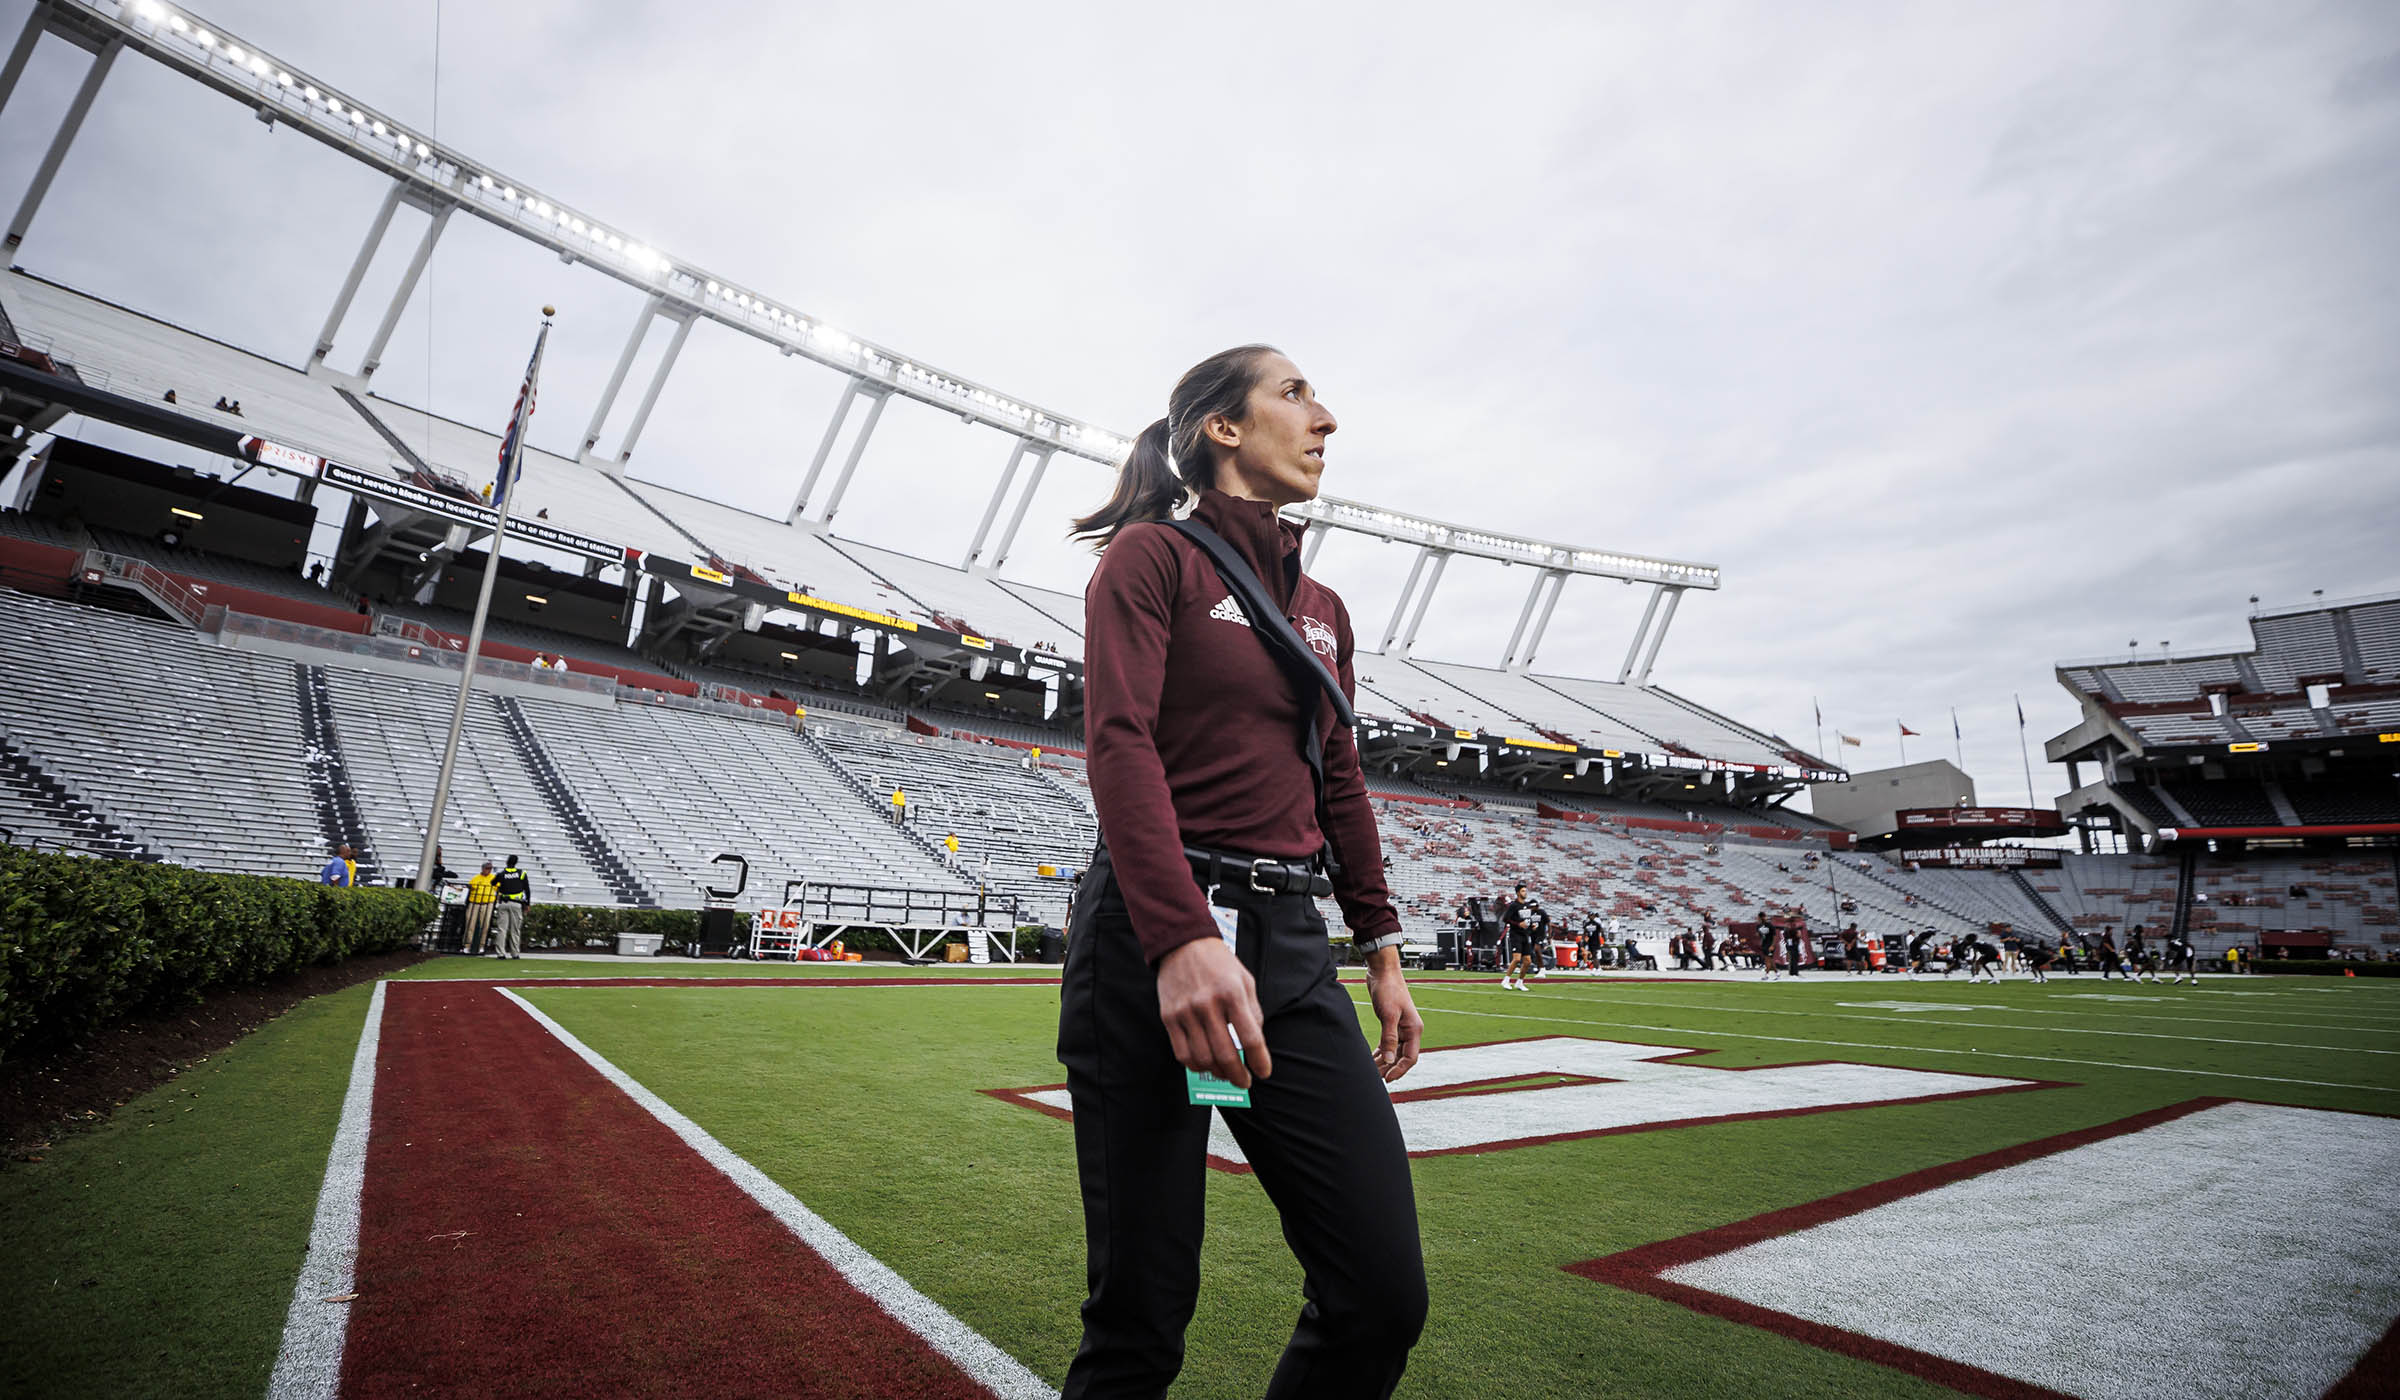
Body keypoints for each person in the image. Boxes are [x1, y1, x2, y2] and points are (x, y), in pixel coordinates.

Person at [1055, 345, 1427, 1398]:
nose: (1327, 418)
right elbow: (1117, 742)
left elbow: (1339, 778)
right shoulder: (1150, 558)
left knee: (1380, 1291)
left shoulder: (1327, 609)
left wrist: (1382, 946)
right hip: (1151, 942)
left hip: (1290, 954)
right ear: (1223, 427)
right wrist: (1180, 937)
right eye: (1296, 393)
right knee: (1141, 1318)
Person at [491, 853, 532, 959]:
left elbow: (493, 882)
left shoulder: (501, 874)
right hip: (516, 904)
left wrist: (501, 887)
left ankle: (500, 953)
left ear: (507, 862)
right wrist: (527, 904)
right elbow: (527, 890)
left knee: (502, 929)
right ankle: (515, 953)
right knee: (515, 930)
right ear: (516, 863)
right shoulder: (521, 873)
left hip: (503, 903)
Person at [1502, 883, 1537, 990]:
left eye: (1525, 891)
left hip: (1525, 935)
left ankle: (1520, 982)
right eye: (1522, 891)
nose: (1525, 893)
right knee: (1517, 959)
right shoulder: (1513, 905)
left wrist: (1532, 926)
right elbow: (1506, 919)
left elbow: (1527, 920)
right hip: (1515, 934)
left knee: (1528, 961)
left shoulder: (1526, 906)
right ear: (1518, 893)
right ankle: (1506, 980)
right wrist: (1518, 924)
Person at [463, 861, 498, 954]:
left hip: (488, 903)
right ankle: (467, 945)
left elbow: (499, 889)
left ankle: (482, 945)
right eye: (487, 868)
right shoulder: (476, 878)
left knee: (485, 924)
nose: (488, 870)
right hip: (475, 902)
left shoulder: (494, 878)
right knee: (470, 923)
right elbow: (470, 887)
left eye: (490, 868)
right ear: (482, 869)